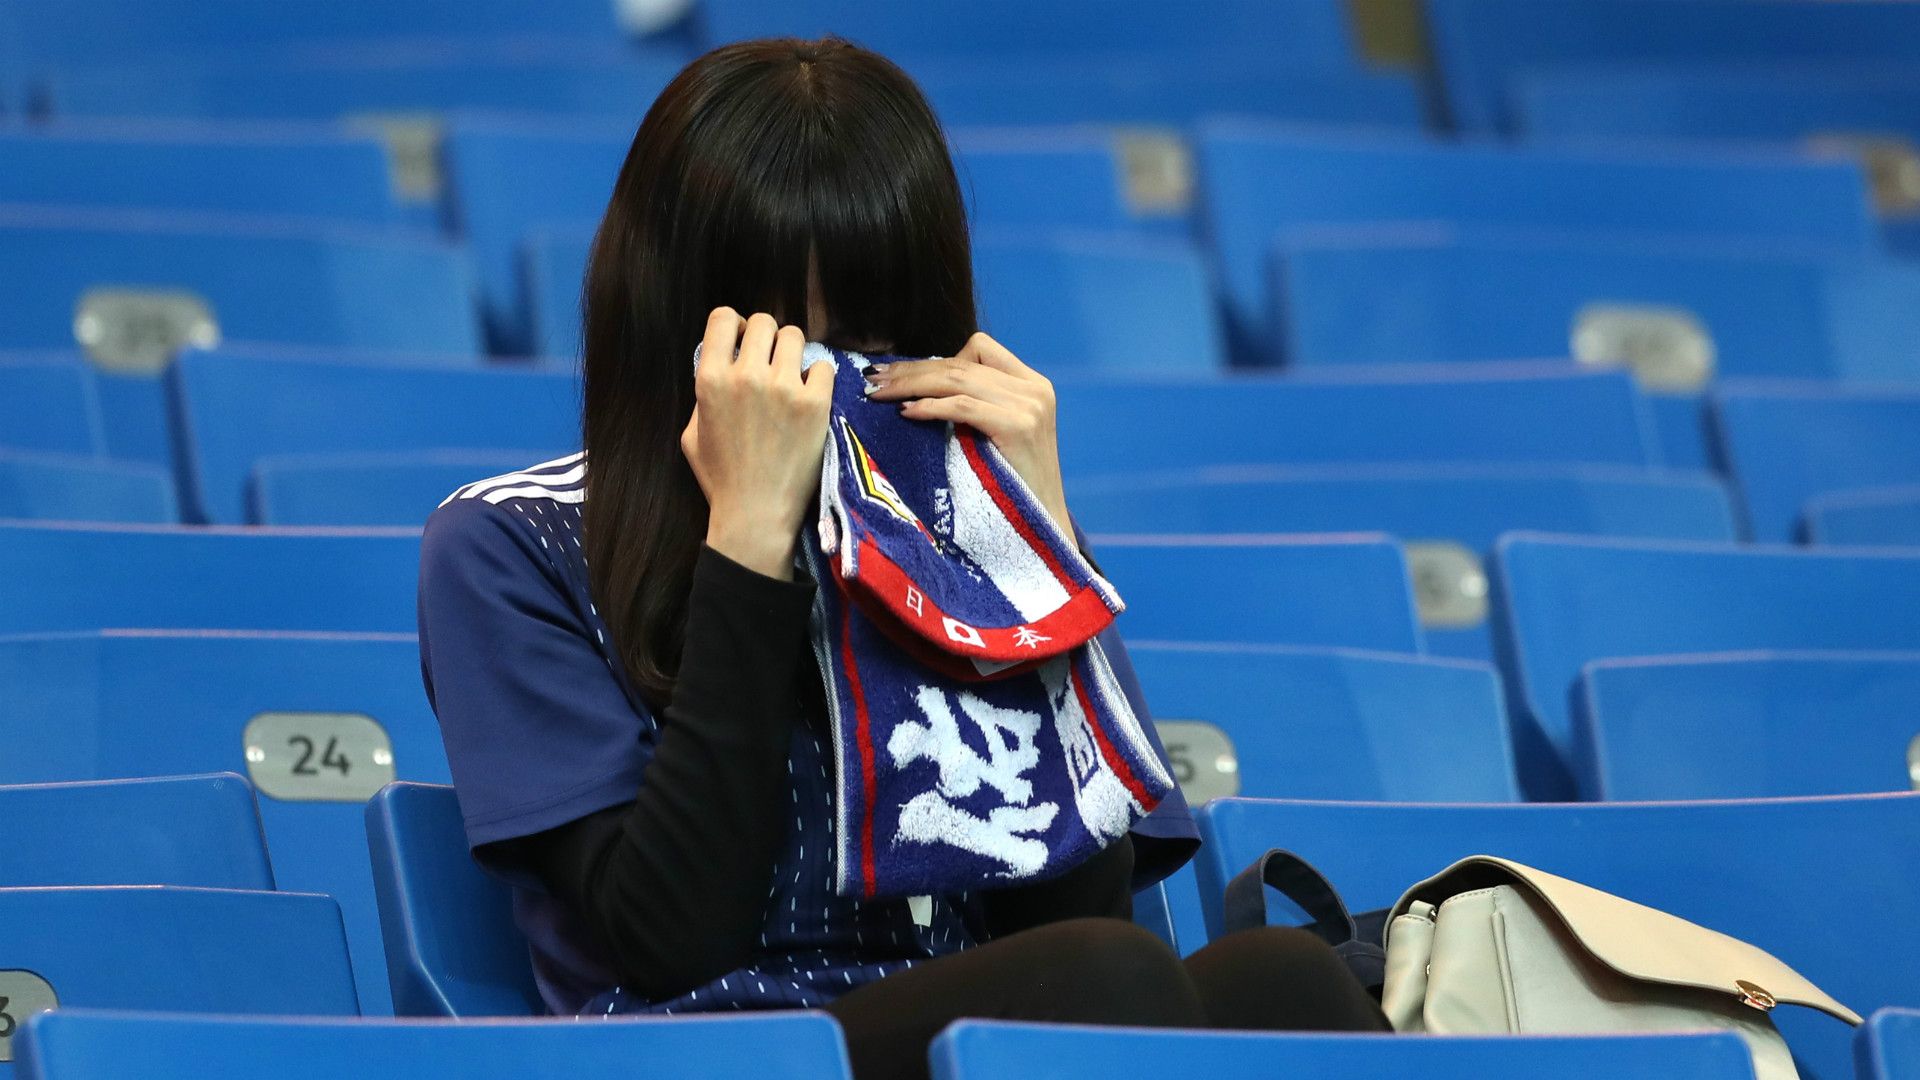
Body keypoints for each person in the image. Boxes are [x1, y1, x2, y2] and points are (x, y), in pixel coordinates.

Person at [417, 36, 1386, 1080]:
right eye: (776, 338)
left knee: (1285, 983)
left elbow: (1085, 906)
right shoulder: (511, 541)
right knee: (1099, 981)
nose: (826, 379)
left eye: (873, 336)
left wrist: (1032, 558)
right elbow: (669, 944)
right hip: (709, 1046)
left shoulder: (956, 516)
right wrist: (746, 541)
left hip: (998, 1018)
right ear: (672, 319)